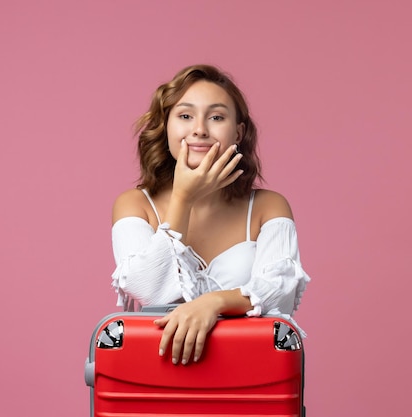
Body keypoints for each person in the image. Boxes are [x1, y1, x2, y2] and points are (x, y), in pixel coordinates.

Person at [111, 64, 310, 366]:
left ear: (238, 131)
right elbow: (151, 290)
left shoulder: (269, 207)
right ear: (166, 126)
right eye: (185, 116)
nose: (200, 129)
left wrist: (213, 303)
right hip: (159, 380)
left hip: (248, 378)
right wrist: (183, 198)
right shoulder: (134, 205)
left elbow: (279, 297)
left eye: (216, 117)